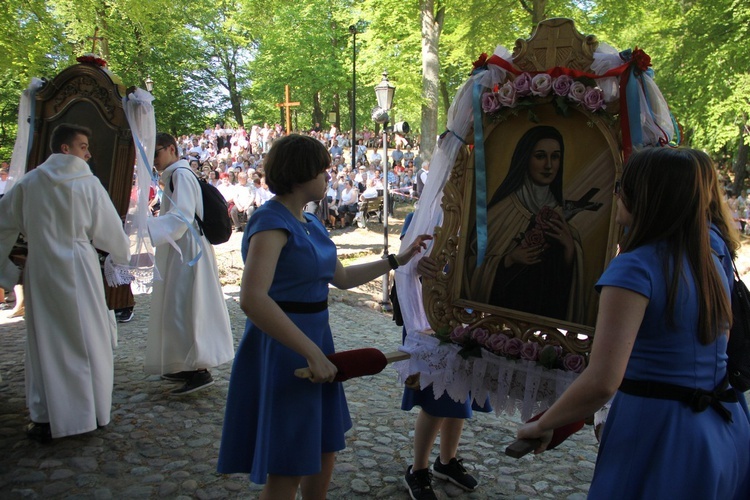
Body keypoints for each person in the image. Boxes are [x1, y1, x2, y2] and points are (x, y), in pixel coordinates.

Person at [517, 147, 750, 499]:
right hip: (725, 428)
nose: (617, 194)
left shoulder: (635, 268)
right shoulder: (713, 249)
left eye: (622, 185)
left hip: (659, 435)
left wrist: (545, 423)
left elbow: (602, 380)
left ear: (644, 196)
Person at [217, 134, 431, 499]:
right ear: (301, 173)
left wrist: (397, 259)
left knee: (322, 448)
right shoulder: (270, 221)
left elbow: (342, 279)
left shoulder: (311, 222)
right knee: (287, 462)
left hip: (317, 339)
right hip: (283, 347)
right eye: (322, 170)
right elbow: (253, 299)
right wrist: (311, 353)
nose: (328, 177)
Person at [0, 123, 131, 442]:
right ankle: (92, 412)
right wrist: (121, 254)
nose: (88, 153)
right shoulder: (87, 183)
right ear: (65, 149)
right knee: (88, 336)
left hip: (43, 266)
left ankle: (46, 416)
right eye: (83, 146)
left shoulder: (28, 183)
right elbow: (110, 230)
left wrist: (5, 270)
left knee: (46, 339)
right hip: (79, 263)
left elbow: (3, 224)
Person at [396, 214, 491, 500]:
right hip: (430, 320)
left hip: (468, 318)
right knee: (435, 401)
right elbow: (403, 266)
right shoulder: (421, 216)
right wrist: (417, 264)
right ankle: (419, 468)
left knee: (460, 394)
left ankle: (447, 461)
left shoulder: (480, 219)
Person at [465, 126, 583, 323]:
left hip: (548, 323)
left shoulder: (561, 216)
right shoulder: (501, 211)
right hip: (501, 318)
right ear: (525, 158)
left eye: (555, 157)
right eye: (540, 156)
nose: (548, 165)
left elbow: (567, 286)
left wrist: (570, 249)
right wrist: (509, 259)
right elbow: (469, 266)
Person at [146, 132, 234, 395]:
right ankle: (185, 363)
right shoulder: (177, 174)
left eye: (157, 152)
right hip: (182, 249)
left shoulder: (181, 174)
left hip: (188, 250)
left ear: (172, 149)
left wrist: (145, 228)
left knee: (188, 306)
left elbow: (182, 217)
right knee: (179, 306)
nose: (154, 160)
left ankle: (198, 369)